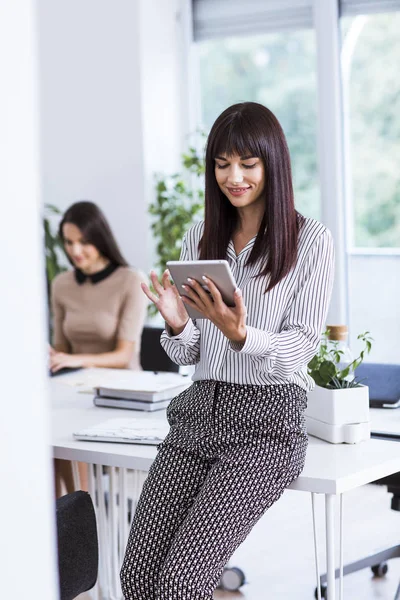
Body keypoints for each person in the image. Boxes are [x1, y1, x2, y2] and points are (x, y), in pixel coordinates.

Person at [120, 102, 335, 600]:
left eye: (247, 164)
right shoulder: (201, 234)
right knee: (139, 581)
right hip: (197, 413)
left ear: (272, 165)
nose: (233, 176)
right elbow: (193, 351)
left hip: (266, 425)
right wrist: (176, 322)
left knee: (178, 585)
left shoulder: (311, 241)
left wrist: (242, 334)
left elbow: (301, 347)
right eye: (221, 164)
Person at [50, 200, 148, 496]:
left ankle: (82, 511)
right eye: (68, 242)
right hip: (74, 387)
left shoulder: (131, 280)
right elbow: (59, 350)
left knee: (70, 438)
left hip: (121, 390)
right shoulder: (61, 284)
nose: (75, 251)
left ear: (100, 239)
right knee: (50, 443)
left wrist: (70, 358)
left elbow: (123, 356)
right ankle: (63, 523)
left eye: (83, 242)